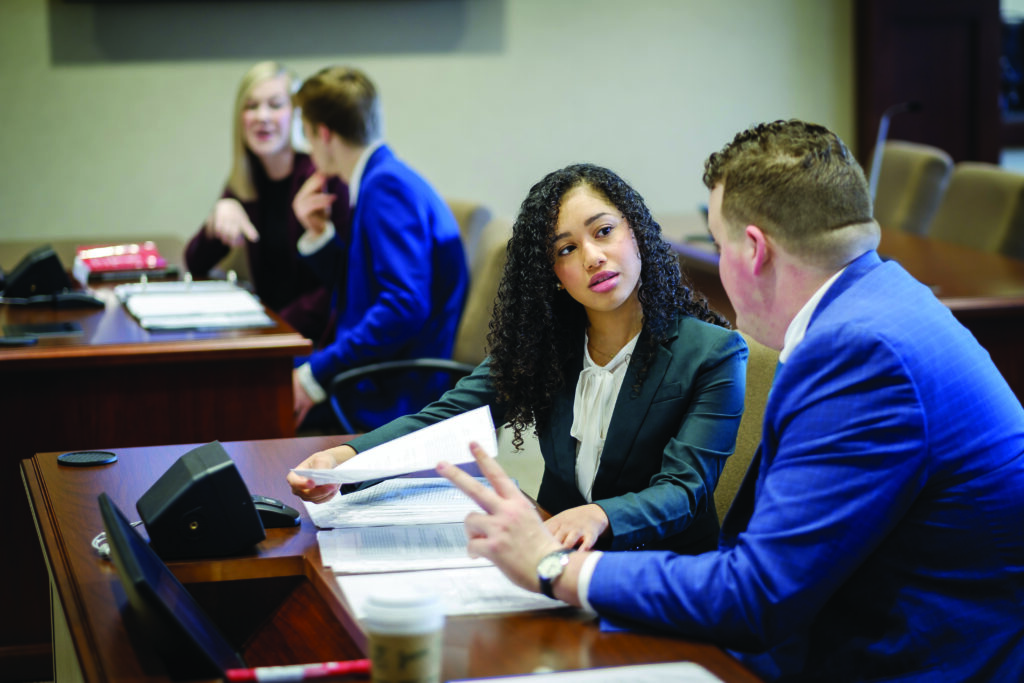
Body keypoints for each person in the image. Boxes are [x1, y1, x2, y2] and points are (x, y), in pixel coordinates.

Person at [437, 121, 1024, 681]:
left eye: (717, 244)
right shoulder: (887, 301)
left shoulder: (859, 353)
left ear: (753, 250)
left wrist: (552, 566)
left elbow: (759, 595)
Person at [289, 163, 749, 555]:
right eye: (566, 249)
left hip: (661, 573)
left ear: (637, 233)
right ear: (553, 274)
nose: (592, 257)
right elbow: (445, 417)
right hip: (551, 553)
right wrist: (345, 457)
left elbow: (685, 490)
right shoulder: (548, 345)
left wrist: (598, 515)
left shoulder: (712, 354)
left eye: (604, 231)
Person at [288, 66, 469, 430]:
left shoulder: (385, 187)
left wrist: (317, 375)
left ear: (323, 133)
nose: (307, 148)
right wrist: (319, 236)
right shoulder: (381, 176)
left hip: (394, 389)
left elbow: (403, 306)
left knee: (254, 386)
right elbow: (366, 285)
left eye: (306, 134)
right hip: (385, 368)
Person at [184, 61, 348, 342]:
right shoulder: (246, 179)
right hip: (269, 334)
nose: (262, 116)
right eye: (251, 106)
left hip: (315, 342)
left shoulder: (322, 178)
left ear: (297, 116)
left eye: (275, 105)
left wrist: (271, 328)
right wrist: (219, 216)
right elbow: (195, 262)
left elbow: (338, 285)